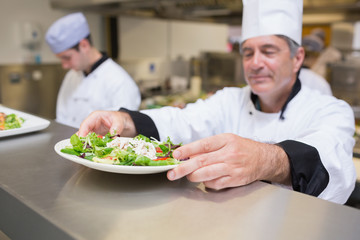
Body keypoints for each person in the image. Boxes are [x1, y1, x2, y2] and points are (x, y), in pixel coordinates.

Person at [77, 0, 356, 204]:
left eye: (268, 51)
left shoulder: (330, 110)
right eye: (248, 53)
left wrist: (266, 159)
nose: (255, 63)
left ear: (297, 59)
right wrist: (126, 121)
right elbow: (182, 121)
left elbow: (333, 163)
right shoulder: (229, 100)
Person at [45, 12, 141, 128]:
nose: (64, 65)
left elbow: (123, 132)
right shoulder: (71, 76)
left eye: (67, 57)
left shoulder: (120, 81)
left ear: (84, 45)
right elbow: (62, 118)